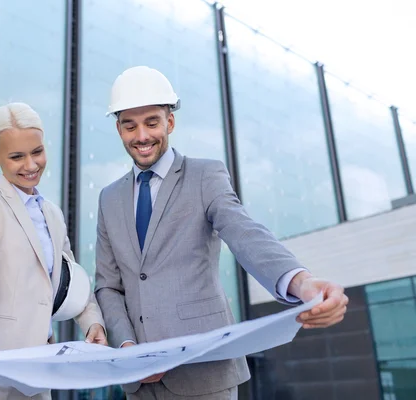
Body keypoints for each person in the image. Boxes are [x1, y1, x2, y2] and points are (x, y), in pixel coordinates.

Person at [94, 66, 349, 400]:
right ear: (119, 129)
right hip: (140, 381)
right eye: (131, 126)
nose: (142, 135)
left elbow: (244, 232)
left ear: (170, 122)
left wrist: (300, 282)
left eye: (152, 122)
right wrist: (129, 348)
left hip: (204, 373)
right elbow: (108, 285)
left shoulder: (204, 175)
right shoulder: (108, 198)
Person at [0, 102, 107, 399]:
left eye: (37, 152)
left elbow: (72, 277)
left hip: (38, 376)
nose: (31, 166)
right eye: (17, 157)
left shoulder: (53, 214)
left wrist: (92, 322)